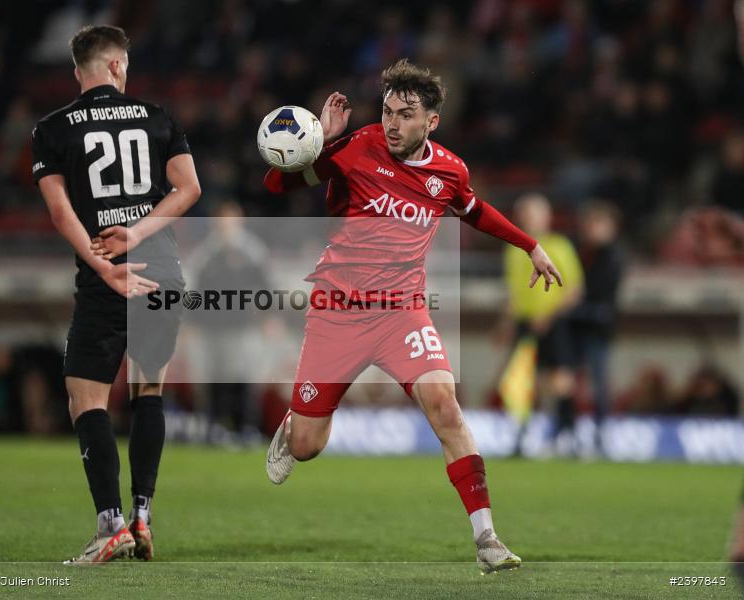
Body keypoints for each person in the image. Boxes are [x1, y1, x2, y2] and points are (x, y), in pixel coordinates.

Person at [263, 59, 563, 573]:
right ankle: (297, 423)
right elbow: (277, 185)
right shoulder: (358, 147)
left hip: (402, 311)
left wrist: (530, 245)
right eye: (386, 111)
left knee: (445, 405)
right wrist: (324, 142)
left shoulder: (450, 170)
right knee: (309, 446)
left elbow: (475, 212)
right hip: (338, 310)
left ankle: (486, 538)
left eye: (405, 114)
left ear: (432, 122)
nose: (392, 123)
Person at [32, 25, 200, 564]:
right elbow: (189, 189)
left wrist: (102, 263)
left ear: (78, 70)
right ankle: (143, 515)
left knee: (86, 399)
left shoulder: (52, 128)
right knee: (148, 391)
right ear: (118, 67)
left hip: (105, 272)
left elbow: (61, 212)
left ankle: (110, 525)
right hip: (164, 269)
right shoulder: (157, 117)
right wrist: (140, 233)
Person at [503, 194, 583, 456]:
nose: (528, 219)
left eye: (533, 213)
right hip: (525, 323)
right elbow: (514, 293)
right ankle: (523, 439)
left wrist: (548, 316)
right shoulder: (513, 249)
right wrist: (504, 324)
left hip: (554, 322)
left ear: (547, 218)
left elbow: (574, 289)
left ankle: (566, 436)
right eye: (524, 214)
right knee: (523, 383)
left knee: (560, 380)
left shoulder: (559, 246)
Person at [570, 200, 624, 453]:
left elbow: (601, 295)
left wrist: (574, 306)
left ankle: (602, 435)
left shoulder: (613, 256)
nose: (591, 229)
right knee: (569, 383)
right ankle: (569, 432)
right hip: (576, 328)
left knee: (598, 383)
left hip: (596, 328)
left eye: (597, 224)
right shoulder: (580, 251)